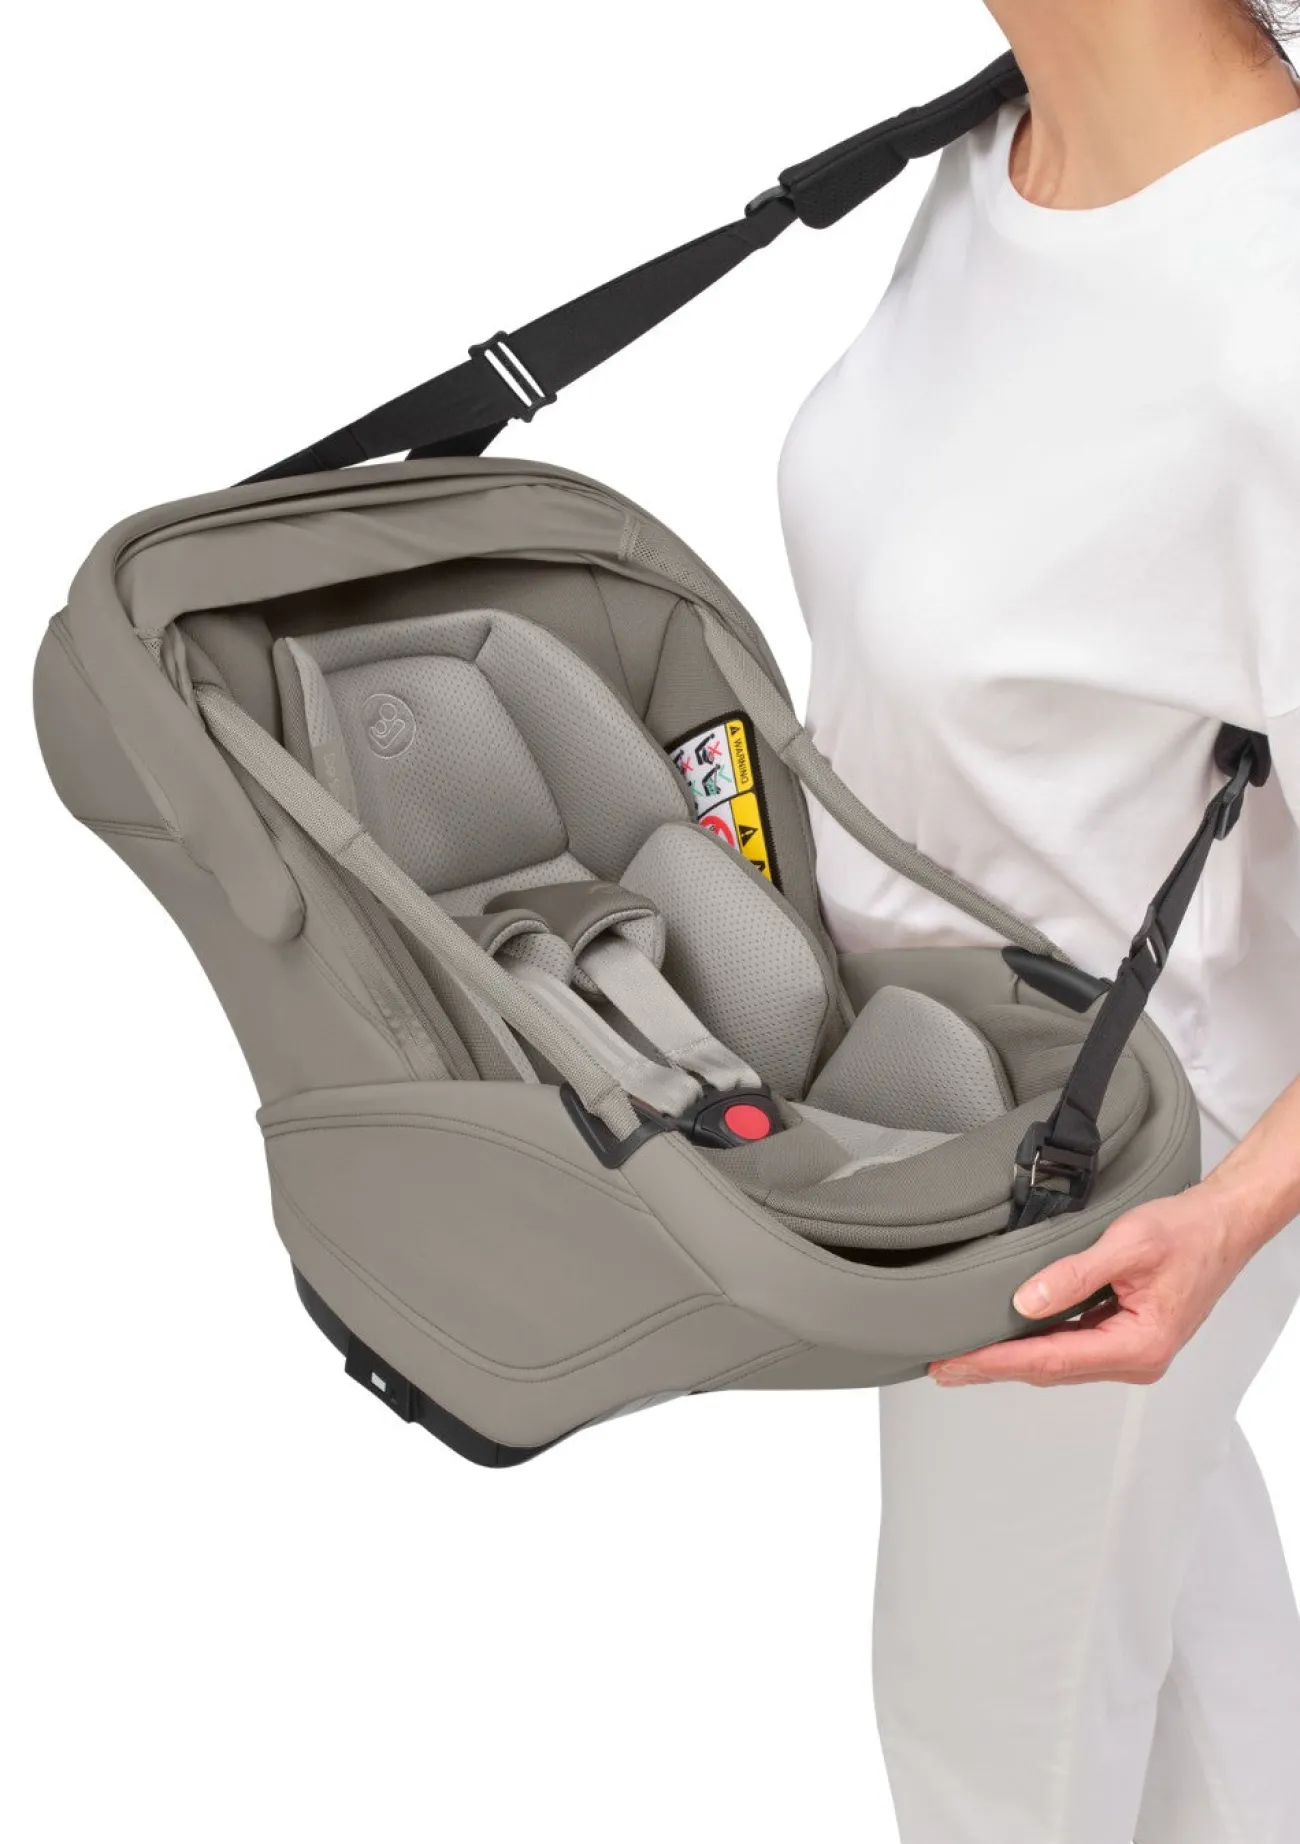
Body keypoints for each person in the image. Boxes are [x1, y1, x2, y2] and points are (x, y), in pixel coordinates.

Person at [778, 2, 1300, 1838]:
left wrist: (1221, 1224)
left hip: (1109, 1165)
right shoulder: (1001, 147)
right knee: (1172, 1656)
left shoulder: (1273, 312)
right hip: (941, 1098)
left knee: (988, 1748)